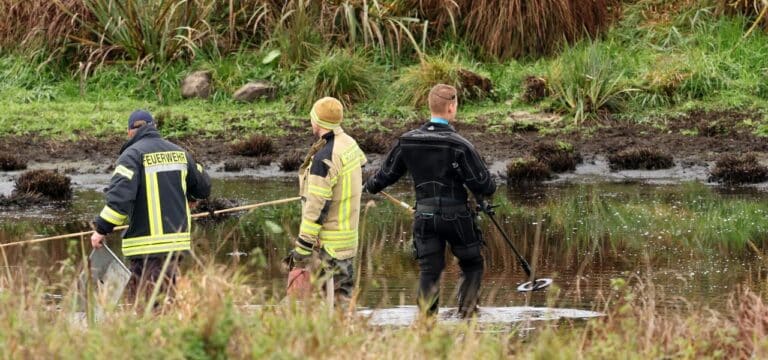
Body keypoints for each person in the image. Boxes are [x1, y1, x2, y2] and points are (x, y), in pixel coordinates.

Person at [363, 84, 496, 318]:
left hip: (424, 217)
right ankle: (466, 316)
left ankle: (426, 323)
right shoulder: (461, 145)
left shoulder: (407, 141)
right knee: (472, 263)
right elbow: (485, 185)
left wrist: (369, 187)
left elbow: (385, 176)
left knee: (429, 271)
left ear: (429, 106)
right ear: (452, 107)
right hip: (458, 217)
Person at [90, 109, 211, 306]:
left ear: (130, 132)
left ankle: (156, 334)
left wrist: (101, 229)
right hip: (175, 245)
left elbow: (119, 201)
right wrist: (191, 197)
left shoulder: (131, 156)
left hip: (147, 248)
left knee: (150, 305)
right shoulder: (179, 153)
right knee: (162, 301)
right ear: (154, 127)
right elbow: (203, 186)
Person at [284, 97, 367, 303]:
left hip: (328, 248)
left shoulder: (324, 159)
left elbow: (316, 209)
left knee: (316, 306)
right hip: (347, 242)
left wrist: (301, 249)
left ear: (317, 122)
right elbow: (360, 164)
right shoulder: (349, 144)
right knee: (342, 304)